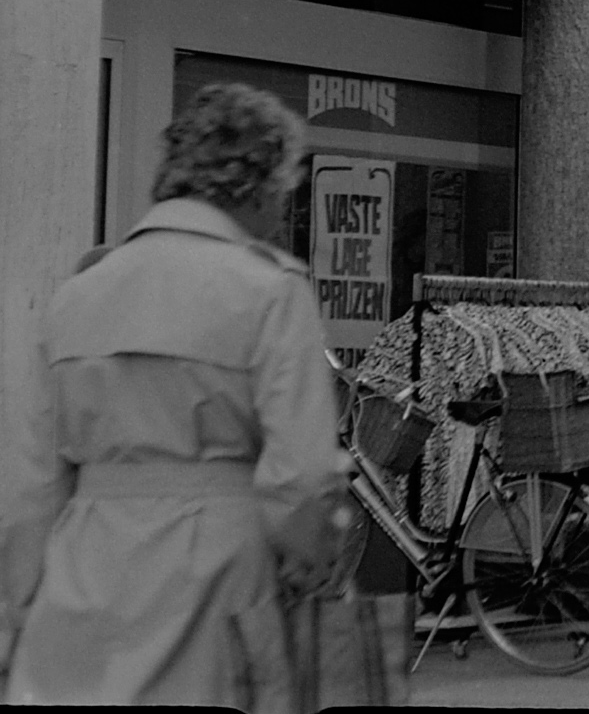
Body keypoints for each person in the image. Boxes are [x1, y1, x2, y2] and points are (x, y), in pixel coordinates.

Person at [0, 83, 348, 711]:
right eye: (284, 191)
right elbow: (301, 475)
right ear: (259, 186)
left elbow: (33, 484)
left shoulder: (77, 296)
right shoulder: (270, 290)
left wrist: (22, 608)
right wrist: (312, 562)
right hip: (221, 580)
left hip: (82, 578)